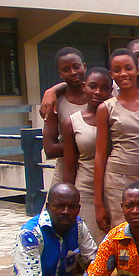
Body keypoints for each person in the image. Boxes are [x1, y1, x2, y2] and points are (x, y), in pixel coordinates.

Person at [94, 49, 139, 231]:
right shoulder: (106, 108)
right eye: (117, 70)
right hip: (117, 179)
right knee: (121, 233)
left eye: (128, 68)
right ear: (111, 74)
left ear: (137, 69)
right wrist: (98, 203)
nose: (123, 74)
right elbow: (100, 156)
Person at [61, 67, 113, 242]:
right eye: (93, 86)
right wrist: (68, 201)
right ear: (84, 87)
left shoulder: (117, 117)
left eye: (104, 88)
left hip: (115, 189)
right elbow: (69, 166)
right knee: (88, 245)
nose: (98, 92)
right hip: (87, 191)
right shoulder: (72, 122)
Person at [43, 47, 88, 189]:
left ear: (84, 67)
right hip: (65, 169)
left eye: (76, 67)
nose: (73, 72)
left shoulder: (100, 94)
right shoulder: (56, 103)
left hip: (94, 168)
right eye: (66, 69)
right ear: (60, 74)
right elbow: (49, 148)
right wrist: (87, 144)